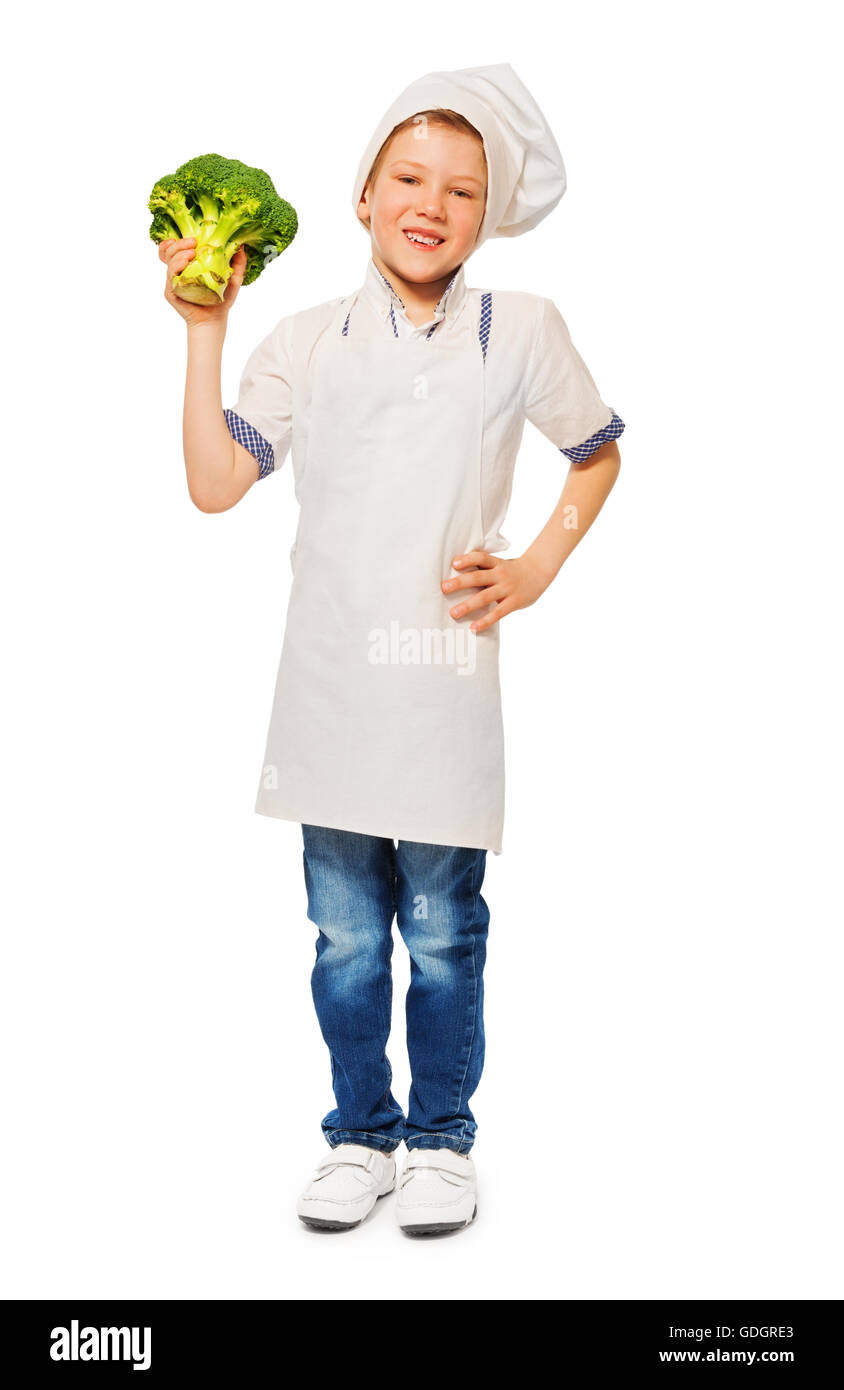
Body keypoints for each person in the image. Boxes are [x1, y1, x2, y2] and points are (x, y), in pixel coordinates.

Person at [157, 63, 625, 1237]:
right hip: (328, 684)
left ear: (486, 212)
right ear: (362, 195)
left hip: (441, 682)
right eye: (408, 177)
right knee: (348, 933)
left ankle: (441, 1141)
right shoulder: (306, 340)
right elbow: (217, 485)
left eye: (462, 190)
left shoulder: (518, 328)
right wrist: (207, 329)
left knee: (443, 925)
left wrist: (535, 568)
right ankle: (359, 1132)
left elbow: (597, 453)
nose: (432, 203)